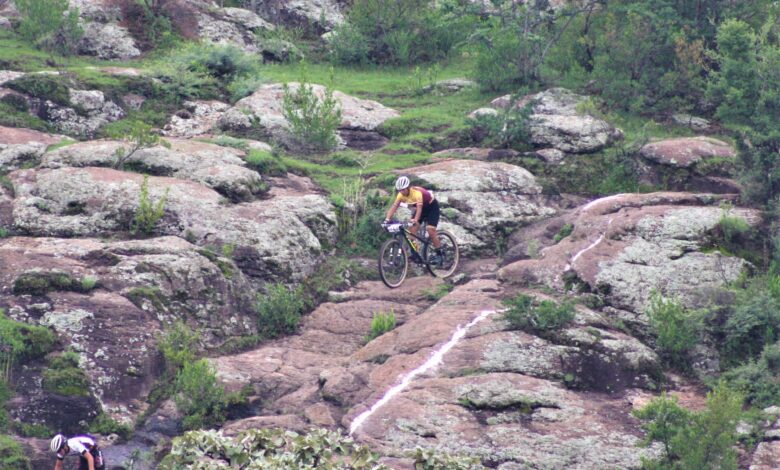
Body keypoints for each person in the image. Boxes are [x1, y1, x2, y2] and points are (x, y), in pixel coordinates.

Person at [384, 176, 443, 263]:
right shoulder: (400, 195)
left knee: (430, 230)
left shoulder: (416, 193)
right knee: (411, 232)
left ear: (408, 188)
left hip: (432, 207)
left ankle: (440, 255)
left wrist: (415, 220)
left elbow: (419, 209)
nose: (401, 192)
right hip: (422, 209)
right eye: (399, 190)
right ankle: (415, 254)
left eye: (403, 189)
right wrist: (387, 219)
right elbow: (394, 207)